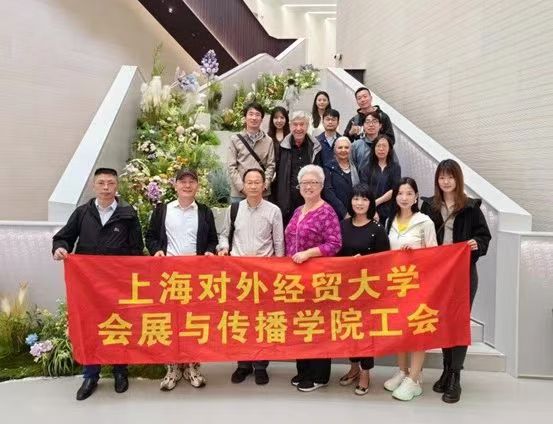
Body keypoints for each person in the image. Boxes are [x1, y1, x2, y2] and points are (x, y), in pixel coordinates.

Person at [52, 167, 144, 401]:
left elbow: (137, 248)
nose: (106, 188)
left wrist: (132, 277)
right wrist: (60, 248)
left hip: (118, 285)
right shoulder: (82, 213)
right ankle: (90, 375)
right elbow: (64, 237)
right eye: (101, 183)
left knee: (119, 326)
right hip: (89, 286)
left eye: (110, 183)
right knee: (91, 327)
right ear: (94, 186)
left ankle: (120, 371)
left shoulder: (128, 214)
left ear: (117, 186)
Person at [421, 159, 491, 404]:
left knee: (458, 323)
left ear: (457, 179)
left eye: (450, 177)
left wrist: (476, 244)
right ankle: (446, 370)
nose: (446, 181)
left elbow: (484, 236)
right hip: (438, 275)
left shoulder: (471, 207)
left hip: (463, 273)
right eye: (442, 177)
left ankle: (455, 377)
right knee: (443, 323)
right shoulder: (429, 206)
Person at [145, 168, 218, 392]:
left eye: (191, 181)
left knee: (193, 321)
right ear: (175, 185)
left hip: (196, 276)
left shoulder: (204, 211)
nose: (187, 185)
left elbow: (212, 239)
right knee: (170, 321)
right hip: (169, 276)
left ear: (197, 186)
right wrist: (156, 250)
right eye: (183, 181)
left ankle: (193, 366)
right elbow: (151, 237)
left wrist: (209, 251)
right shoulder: (162, 210)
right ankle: (173, 367)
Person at [217, 168, 285, 385]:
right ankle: (243, 364)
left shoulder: (274, 211)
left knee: (262, 320)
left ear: (264, 185)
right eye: (249, 182)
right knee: (241, 320)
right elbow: (224, 234)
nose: (253, 186)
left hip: (264, 274)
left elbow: (279, 243)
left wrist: (278, 272)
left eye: (257, 182)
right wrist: (223, 247)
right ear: (243, 185)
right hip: (239, 274)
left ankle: (261, 365)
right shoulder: (234, 209)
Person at [285, 164, 342, 392]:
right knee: (301, 324)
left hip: (318, 278)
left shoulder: (327, 211)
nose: (308, 187)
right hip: (297, 280)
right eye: (304, 183)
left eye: (313, 183)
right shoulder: (298, 210)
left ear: (321, 186)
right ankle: (303, 370)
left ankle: (319, 375)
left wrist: (309, 253)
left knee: (317, 325)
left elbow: (335, 244)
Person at [383, 177, 437, 401]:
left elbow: (435, 255)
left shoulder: (425, 222)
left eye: (409, 193)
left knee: (417, 330)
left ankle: (414, 379)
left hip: (418, 285)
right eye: (400, 193)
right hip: (396, 284)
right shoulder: (390, 221)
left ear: (416, 197)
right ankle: (403, 371)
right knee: (400, 329)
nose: (404, 197)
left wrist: (415, 254)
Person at [338, 184, 390, 395]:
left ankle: (365, 372)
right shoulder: (343, 225)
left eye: (364, 199)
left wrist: (364, 262)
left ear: (370, 203)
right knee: (350, 329)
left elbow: (384, 262)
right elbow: (334, 254)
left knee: (365, 333)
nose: (359, 203)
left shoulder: (377, 229)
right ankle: (353, 367)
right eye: (356, 198)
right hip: (345, 288)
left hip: (367, 290)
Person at [274, 111, 322, 225]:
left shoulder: (315, 147)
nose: (298, 128)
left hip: (309, 198)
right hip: (288, 200)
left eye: (302, 124)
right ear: (290, 126)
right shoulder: (282, 147)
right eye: (295, 124)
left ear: (307, 126)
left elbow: (320, 174)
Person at [227, 102, 275, 203]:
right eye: (251, 114)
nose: (254, 118)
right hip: (239, 194)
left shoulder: (268, 140)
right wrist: (242, 188)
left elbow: (271, 165)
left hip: (262, 193)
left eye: (257, 115)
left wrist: (264, 186)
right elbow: (231, 166)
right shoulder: (235, 139)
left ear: (262, 119)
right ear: (245, 117)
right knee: (237, 214)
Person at [361, 135, 401, 224]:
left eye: (384, 146)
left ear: (389, 149)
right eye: (378, 146)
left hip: (389, 210)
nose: (381, 149)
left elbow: (395, 190)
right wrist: (372, 209)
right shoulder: (366, 168)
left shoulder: (395, 167)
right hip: (369, 210)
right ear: (374, 148)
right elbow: (364, 190)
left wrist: (376, 203)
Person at [351, 111, 399, 175]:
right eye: (367, 122)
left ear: (380, 125)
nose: (371, 125)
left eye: (374, 121)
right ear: (363, 126)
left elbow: (395, 167)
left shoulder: (387, 144)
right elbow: (352, 168)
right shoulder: (356, 145)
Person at [322, 136, 360, 219]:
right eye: (340, 147)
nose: (343, 150)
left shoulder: (356, 167)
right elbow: (328, 192)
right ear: (335, 150)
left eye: (346, 147)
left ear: (350, 150)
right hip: (335, 214)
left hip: (355, 212)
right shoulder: (328, 167)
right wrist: (344, 212)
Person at [267, 106, 290, 203]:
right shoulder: (267, 137)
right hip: (272, 178)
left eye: (282, 117)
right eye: (276, 118)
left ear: (286, 119)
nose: (279, 120)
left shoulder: (290, 136)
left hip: (287, 177)